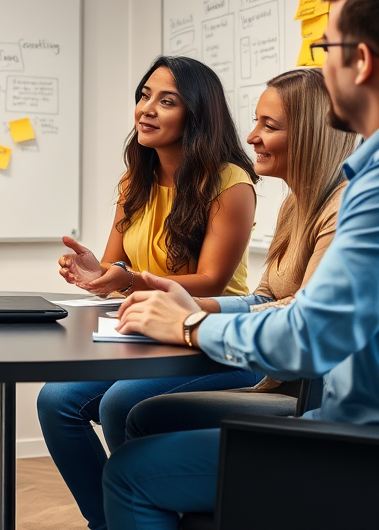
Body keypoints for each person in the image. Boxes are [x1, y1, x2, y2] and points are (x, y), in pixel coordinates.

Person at [104, 0, 379, 529]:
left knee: (131, 473)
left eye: (327, 47)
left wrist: (190, 324)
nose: (322, 66)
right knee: (142, 422)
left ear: (361, 61)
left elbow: (311, 337)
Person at [36, 56, 260, 530]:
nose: (147, 109)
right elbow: (117, 263)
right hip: (139, 329)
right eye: (144, 95)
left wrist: (128, 279)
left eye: (167, 100)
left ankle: (143, 508)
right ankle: (112, 520)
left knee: (122, 403)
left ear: (197, 114)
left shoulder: (230, 183)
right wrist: (94, 270)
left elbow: (211, 282)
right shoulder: (133, 180)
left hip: (209, 333)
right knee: (55, 401)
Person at [126, 67, 357, 438]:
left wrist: (194, 320)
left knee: (133, 419)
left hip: (311, 395)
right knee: (133, 411)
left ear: (312, 135)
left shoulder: (344, 208)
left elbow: (302, 312)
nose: (252, 137)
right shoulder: (296, 204)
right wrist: (198, 306)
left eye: (270, 126)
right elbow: (266, 296)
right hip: (278, 377)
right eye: (256, 123)